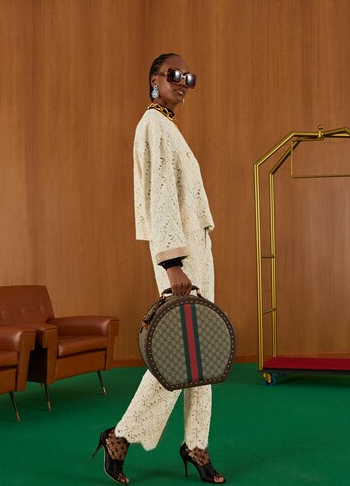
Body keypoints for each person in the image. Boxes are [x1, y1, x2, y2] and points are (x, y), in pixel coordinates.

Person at [92, 53, 225, 484]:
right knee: (180, 355)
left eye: (188, 77)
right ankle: (120, 436)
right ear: (154, 79)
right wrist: (172, 263)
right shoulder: (152, 126)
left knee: (202, 351)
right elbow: (160, 197)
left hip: (195, 251)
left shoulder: (169, 126)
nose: (182, 81)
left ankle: (196, 442)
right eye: (173, 75)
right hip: (180, 257)